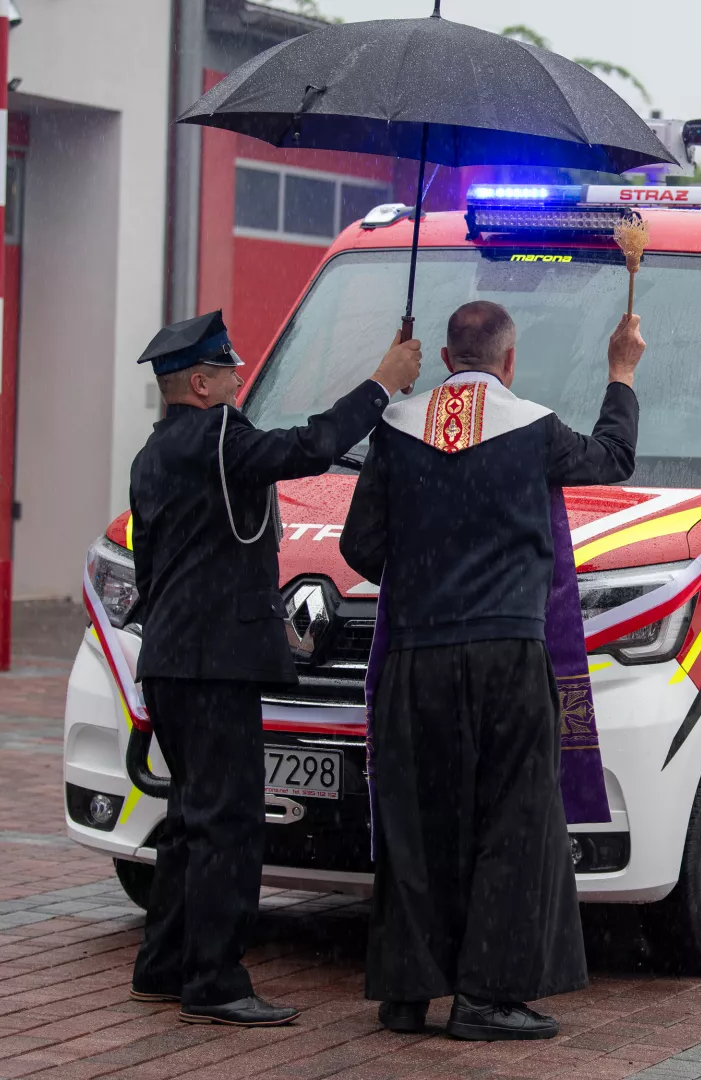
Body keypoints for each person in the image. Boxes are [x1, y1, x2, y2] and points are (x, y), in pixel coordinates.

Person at [341, 301, 644, 1041]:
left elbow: (358, 546)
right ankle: (487, 996)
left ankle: (407, 993)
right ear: (509, 363)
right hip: (506, 652)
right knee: (510, 821)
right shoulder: (533, 428)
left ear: (445, 358)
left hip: (416, 655)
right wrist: (621, 372)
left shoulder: (395, 429)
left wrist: (422, 576)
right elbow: (613, 460)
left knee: (418, 820)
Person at [127, 310, 420, 1027]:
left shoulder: (154, 453)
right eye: (229, 371)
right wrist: (382, 385)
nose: (239, 380)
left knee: (189, 817)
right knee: (228, 823)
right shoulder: (220, 435)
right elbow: (312, 446)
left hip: (169, 658)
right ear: (200, 382)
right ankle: (216, 982)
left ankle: (164, 964)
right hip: (214, 663)